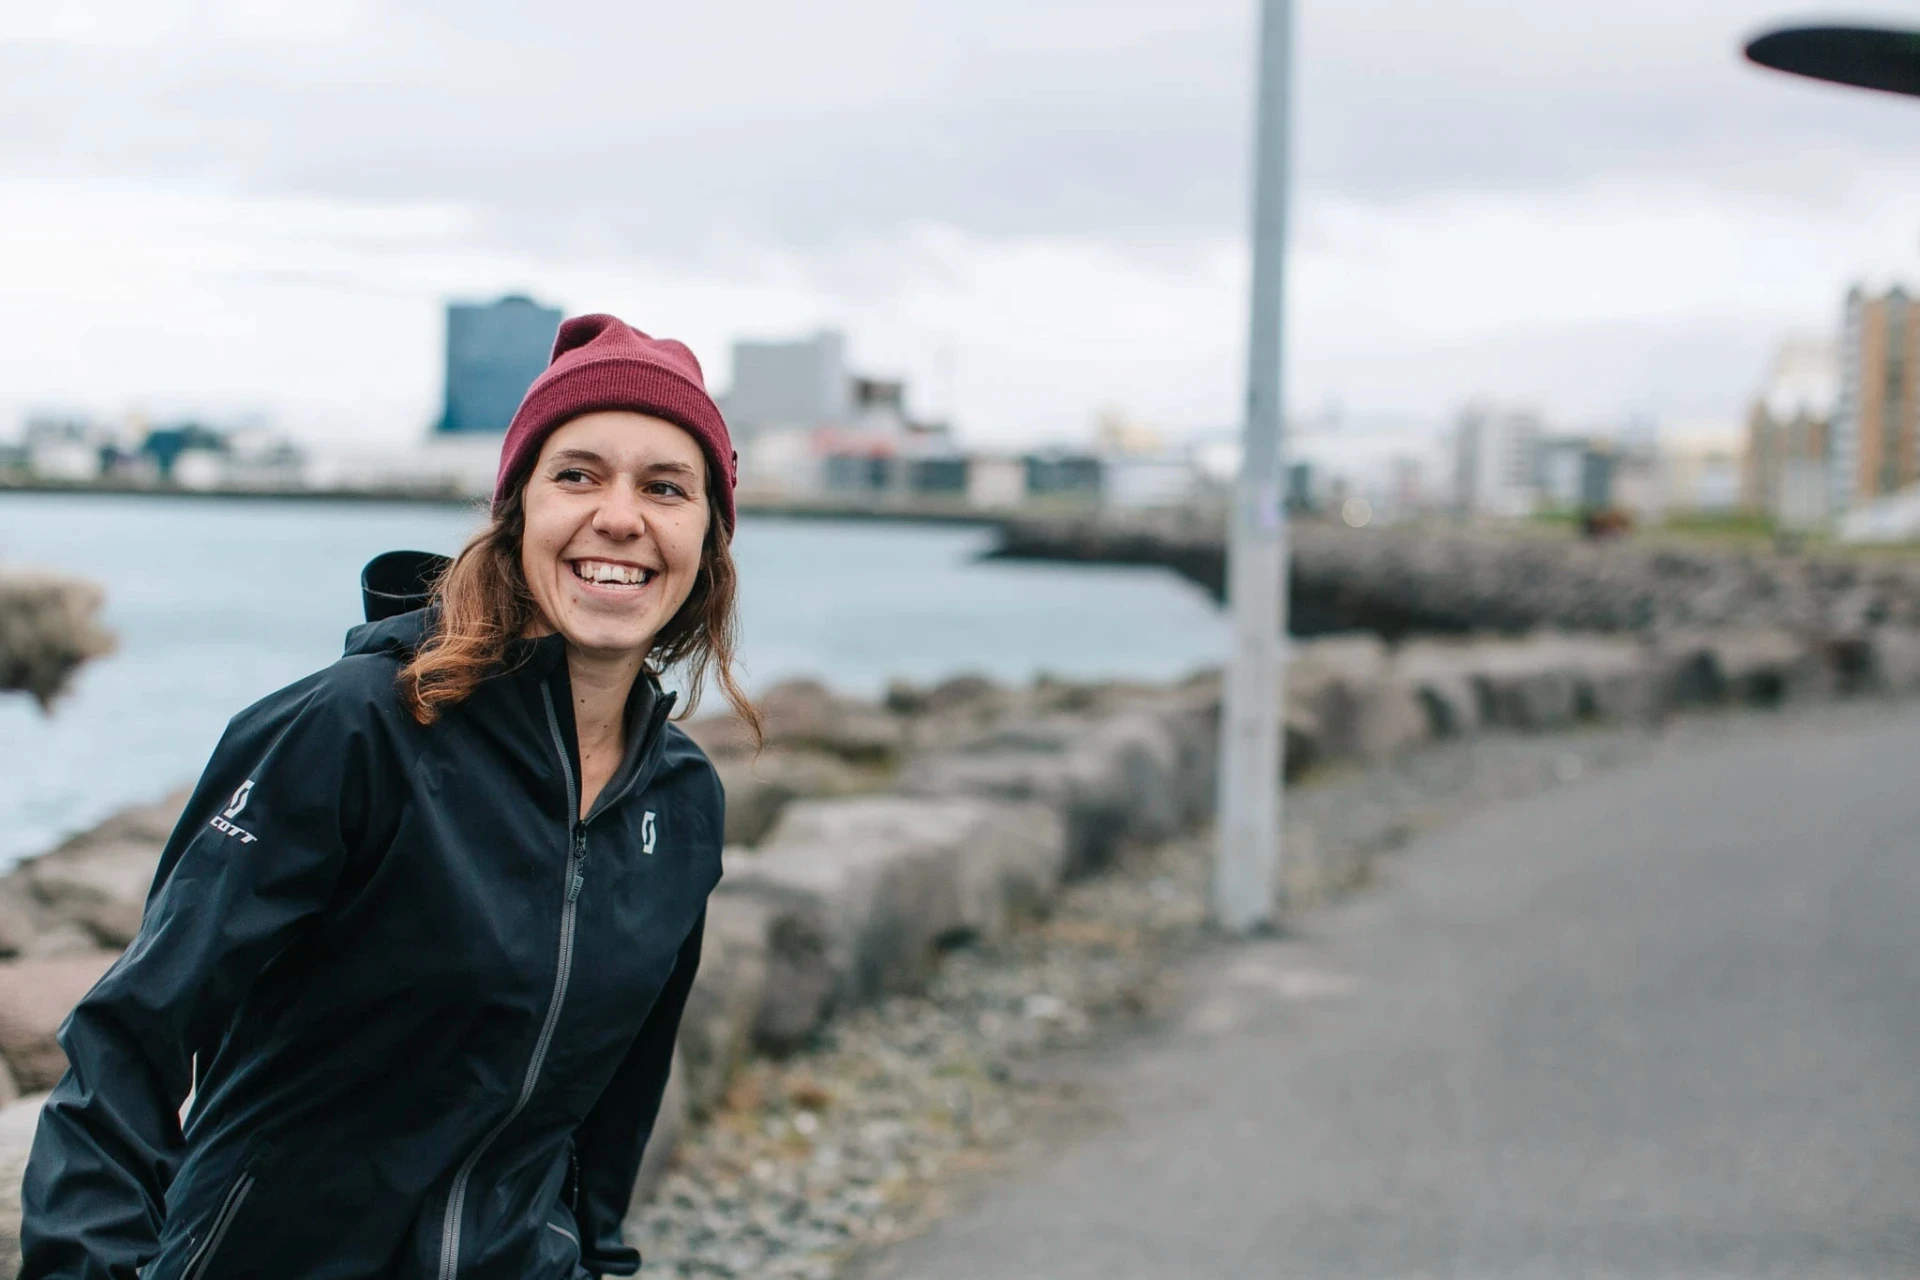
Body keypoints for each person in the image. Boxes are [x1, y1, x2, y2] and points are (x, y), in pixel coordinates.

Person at [18, 314, 757, 1280]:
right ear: (516, 513)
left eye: (667, 487)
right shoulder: (353, 729)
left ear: (707, 536)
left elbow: (611, 1112)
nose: (621, 517)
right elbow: (130, 1040)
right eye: (577, 474)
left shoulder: (683, 802)